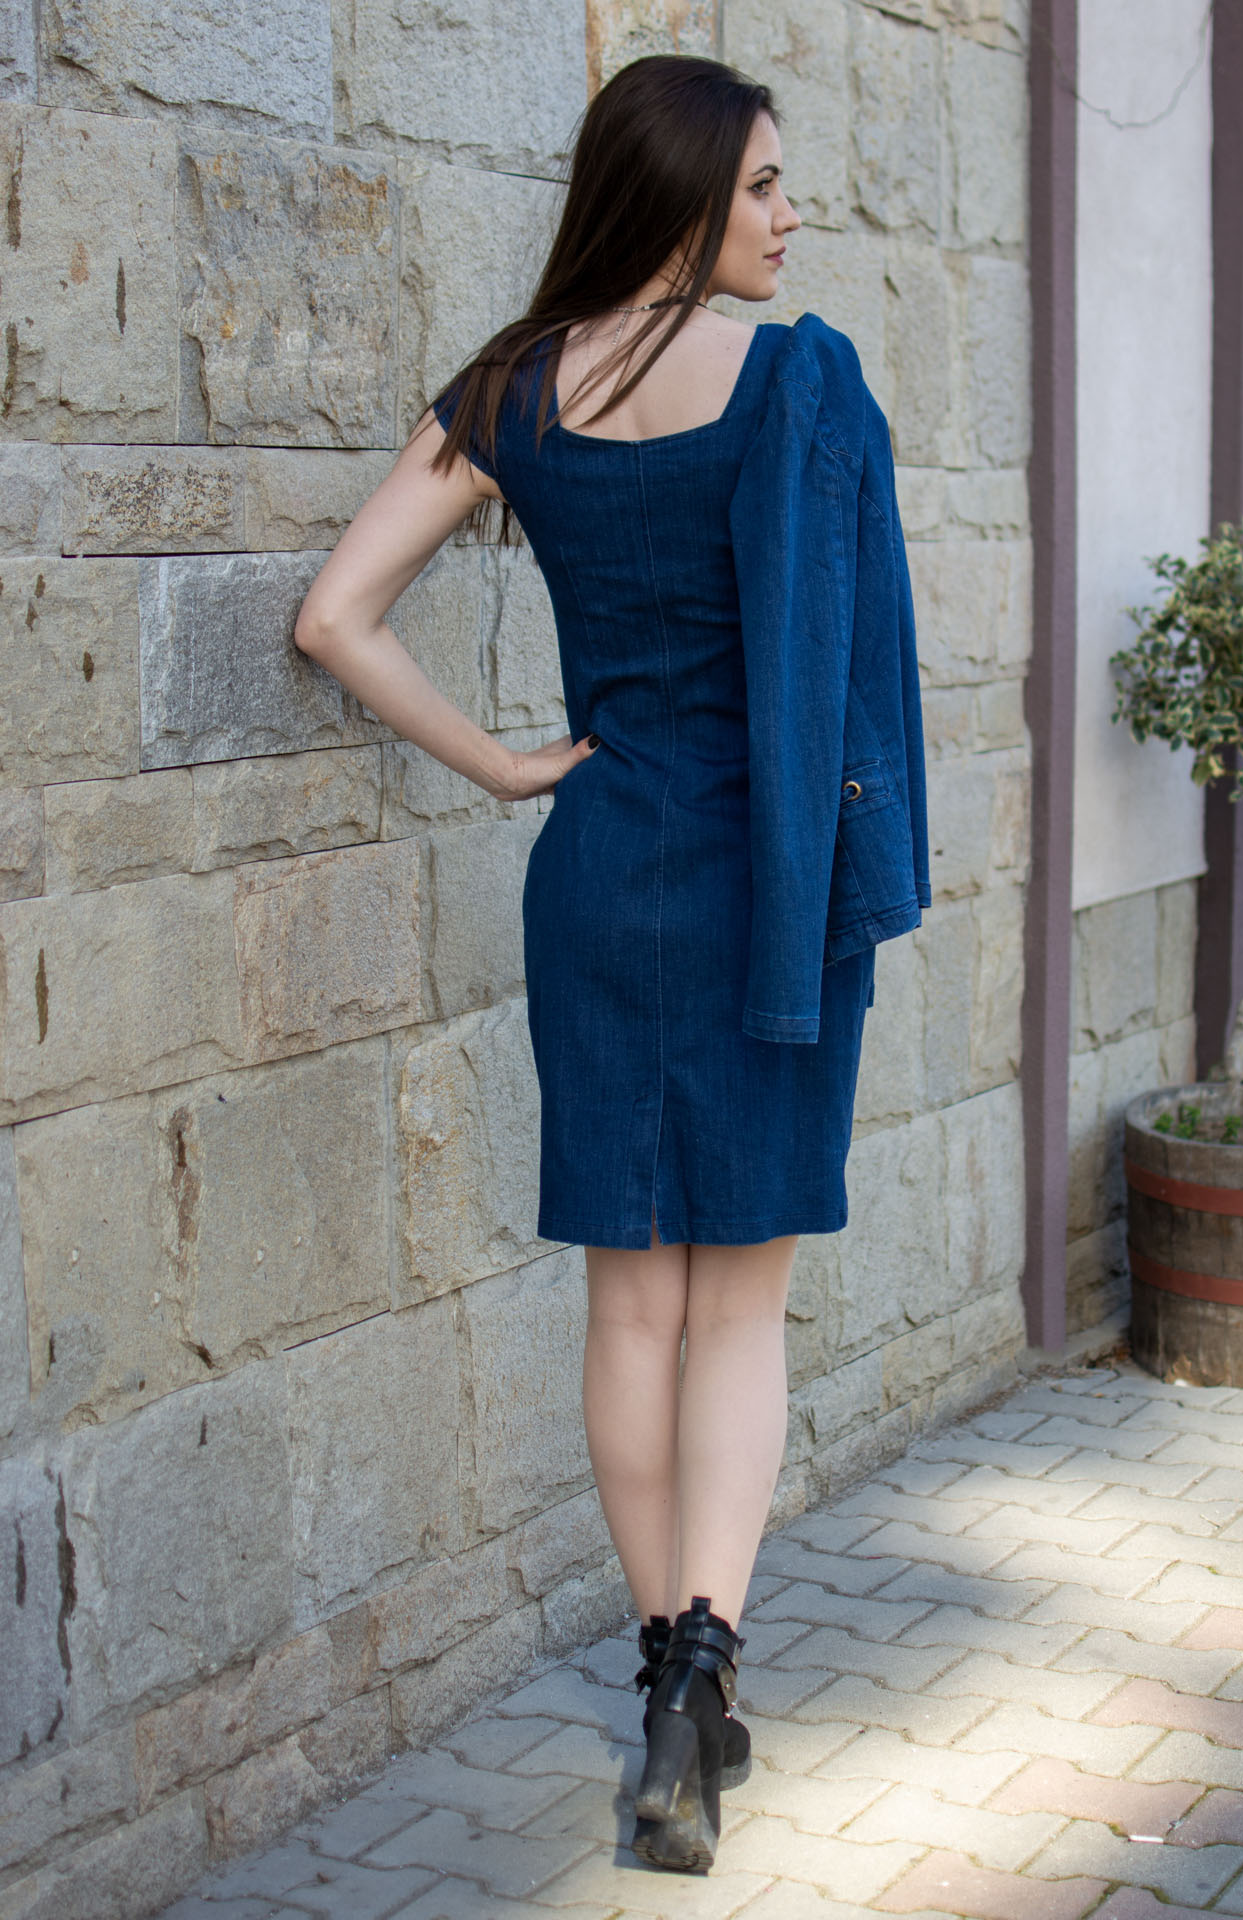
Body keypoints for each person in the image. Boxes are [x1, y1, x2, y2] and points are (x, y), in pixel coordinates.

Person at [294, 53, 927, 1876]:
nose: (792, 215)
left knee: (629, 1307)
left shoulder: (512, 390)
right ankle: (704, 1682)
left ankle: (662, 1678)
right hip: (768, 883)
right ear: (684, 196)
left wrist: (506, 767)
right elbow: (866, 662)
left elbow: (336, 617)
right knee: (739, 1311)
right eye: (765, 186)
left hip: (602, 872)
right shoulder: (800, 383)